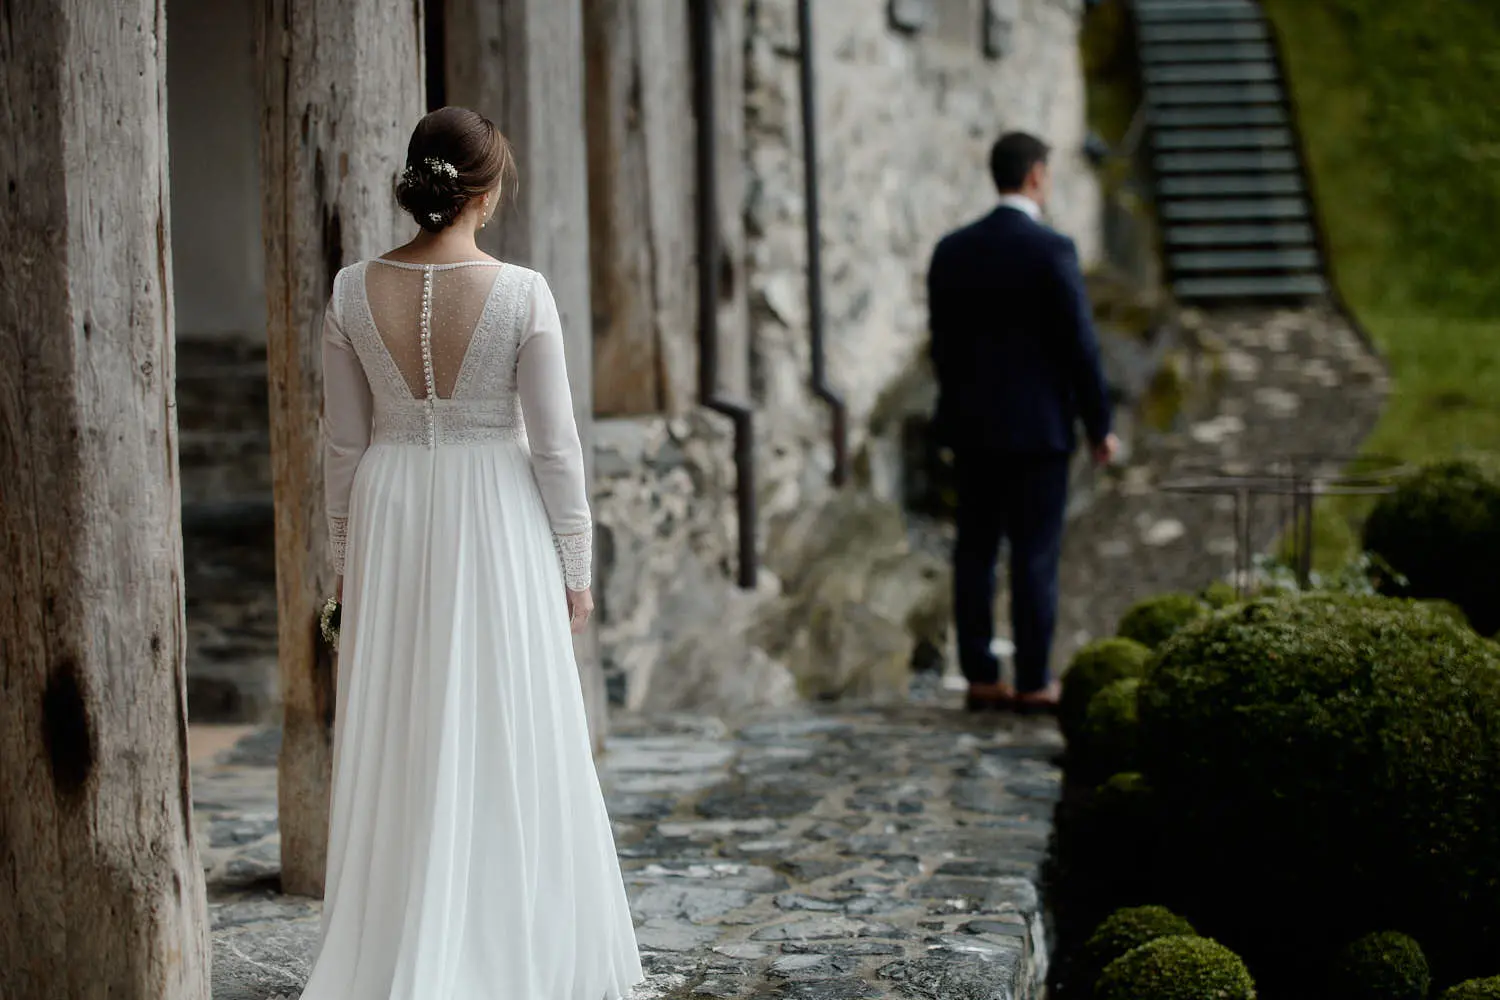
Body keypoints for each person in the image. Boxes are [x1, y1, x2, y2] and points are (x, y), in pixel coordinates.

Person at [302, 106, 643, 999]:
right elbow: (557, 447)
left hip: (390, 505)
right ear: (485, 195)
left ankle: (396, 942)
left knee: (403, 711)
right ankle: (504, 941)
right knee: (506, 708)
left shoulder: (350, 290)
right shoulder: (522, 292)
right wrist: (576, 564)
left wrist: (345, 559)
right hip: (495, 507)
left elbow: (343, 444)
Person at [927, 131, 1118, 714]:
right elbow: (1080, 346)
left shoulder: (952, 250)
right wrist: (1099, 424)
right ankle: (1034, 680)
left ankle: (981, 677)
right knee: (1035, 554)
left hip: (973, 430)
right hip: (1039, 431)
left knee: (975, 553)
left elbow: (942, 346)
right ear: (1036, 175)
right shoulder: (1052, 250)